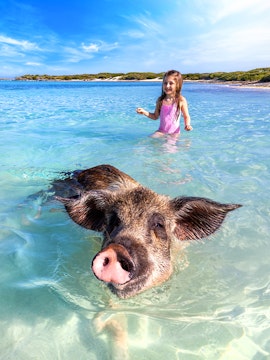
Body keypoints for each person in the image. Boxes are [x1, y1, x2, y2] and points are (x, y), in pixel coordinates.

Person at [136, 70, 192, 138]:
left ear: (177, 85)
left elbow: (186, 116)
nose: (167, 86)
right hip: (161, 131)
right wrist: (144, 112)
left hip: (174, 133)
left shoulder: (181, 100)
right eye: (165, 83)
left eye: (171, 83)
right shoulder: (160, 100)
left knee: (168, 147)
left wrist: (187, 125)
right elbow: (155, 116)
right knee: (148, 139)